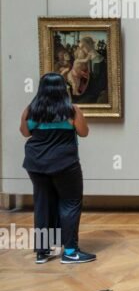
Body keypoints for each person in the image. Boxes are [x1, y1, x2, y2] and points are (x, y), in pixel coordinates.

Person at [20, 73, 94, 264]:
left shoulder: (31, 111)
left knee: (43, 203)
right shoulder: (71, 111)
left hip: (36, 164)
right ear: (63, 89)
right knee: (70, 203)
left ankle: (43, 251)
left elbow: (25, 132)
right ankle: (70, 251)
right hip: (65, 164)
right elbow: (84, 133)